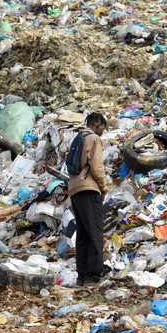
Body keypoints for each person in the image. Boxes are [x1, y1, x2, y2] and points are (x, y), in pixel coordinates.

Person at [68, 112, 108, 287]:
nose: (102, 133)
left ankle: (81, 276)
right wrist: (103, 188)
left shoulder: (78, 137)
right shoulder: (94, 139)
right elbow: (97, 167)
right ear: (97, 125)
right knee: (95, 233)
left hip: (75, 190)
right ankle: (93, 276)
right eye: (102, 129)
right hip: (89, 189)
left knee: (83, 234)